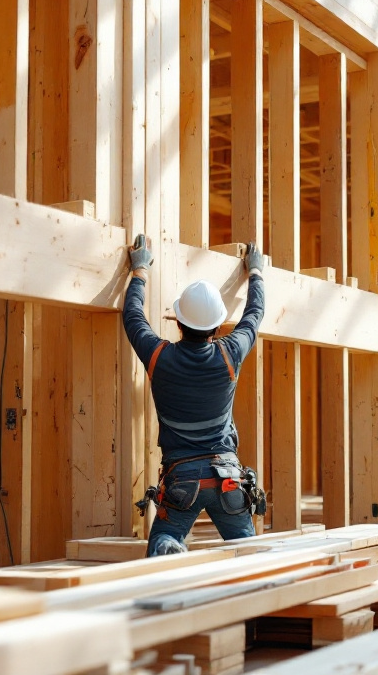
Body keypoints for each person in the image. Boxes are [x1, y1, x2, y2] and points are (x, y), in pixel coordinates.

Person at [123, 235, 265, 556]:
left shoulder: (159, 357)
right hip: (226, 477)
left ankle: (171, 546)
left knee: (164, 540)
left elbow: (133, 317)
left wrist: (140, 269)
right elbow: (253, 315)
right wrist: (255, 272)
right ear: (216, 329)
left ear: (179, 323)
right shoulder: (230, 353)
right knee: (248, 554)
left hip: (183, 478)